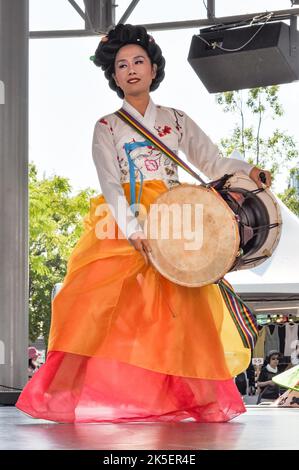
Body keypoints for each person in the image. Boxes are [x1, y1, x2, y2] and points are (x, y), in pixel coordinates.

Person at [16, 24, 271, 423]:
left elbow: (212, 163)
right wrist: (133, 228)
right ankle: (65, 393)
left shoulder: (176, 120)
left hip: (175, 217)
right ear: (114, 76)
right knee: (91, 303)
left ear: (153, 69)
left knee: (183, 310)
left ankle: (196, 397)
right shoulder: (107, 126)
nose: (131, 69)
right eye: (122, 65)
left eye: (139, 61)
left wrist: (247, 170)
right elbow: (109, 182)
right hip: (123, 221)